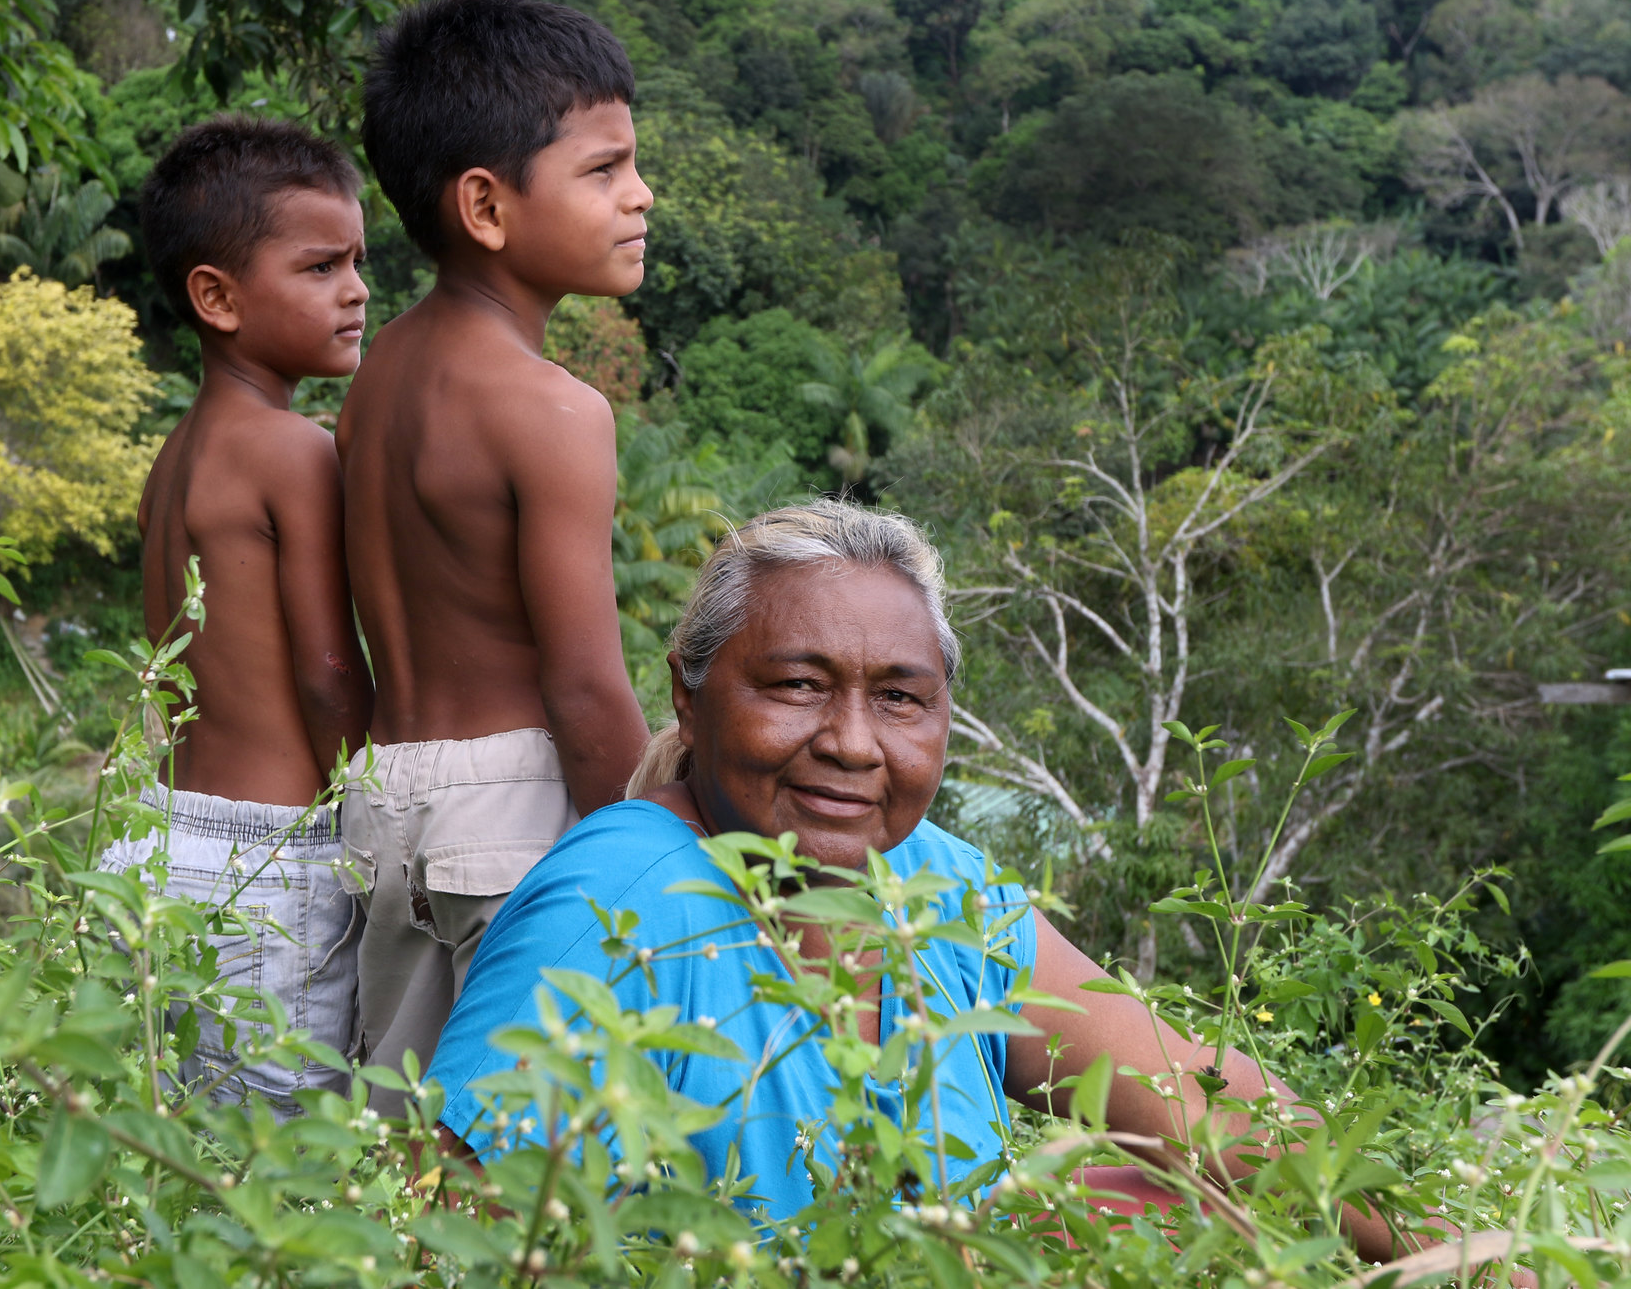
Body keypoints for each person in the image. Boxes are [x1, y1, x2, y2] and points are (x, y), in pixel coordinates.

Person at [423, 500, 1418, 1263]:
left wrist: (1445, 1251)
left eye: (898, 699)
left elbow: (1195, 1099)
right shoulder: (614, 900)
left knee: (1184, 1205)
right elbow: (460, 1239)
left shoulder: (936, 888)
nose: (851, 745)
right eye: (796, 685)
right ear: (689, 696)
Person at [337, 0, 654, 1105]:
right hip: (511, 813)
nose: (638, 194)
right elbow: (581, 687)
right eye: (602, 169)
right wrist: (659, 869)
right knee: (537, 1162)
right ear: (485, 205)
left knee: (400, 1147)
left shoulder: (377, 379)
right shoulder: (551, 409)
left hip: (382, 806)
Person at [105, 116, 375, 1114]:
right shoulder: (293, 449)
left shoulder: (173, 459)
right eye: (318, 267)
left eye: (357, 261)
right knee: (281, 1166)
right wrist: (372, 807)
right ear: (216, 298)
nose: (354, 290)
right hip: (270, 861)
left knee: (183, 1159)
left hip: (157, 842)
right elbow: (323, 671)